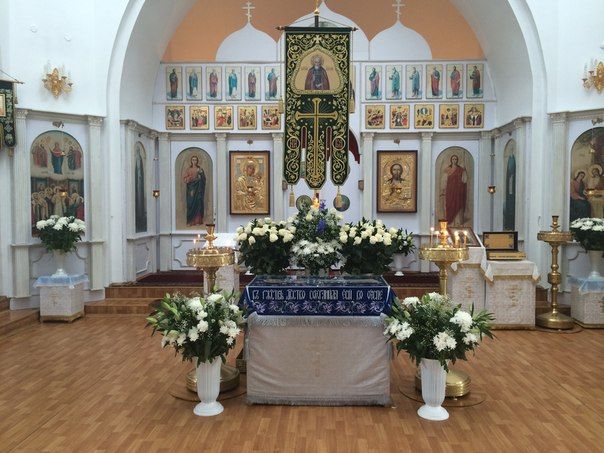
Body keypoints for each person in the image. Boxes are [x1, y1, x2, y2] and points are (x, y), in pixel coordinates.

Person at [441, 155, 468, 225]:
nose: (454, 160)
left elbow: (464, 180)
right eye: (453, 159)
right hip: (450, 190)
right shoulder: (448, 169)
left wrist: (465, 171)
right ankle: (450, 221)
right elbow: (444, 180)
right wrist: (443, 189)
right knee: (450, 204)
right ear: (451, 160)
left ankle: (458, 222)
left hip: (458, 191)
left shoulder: (460, 169)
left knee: (458, 204)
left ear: (457, 160)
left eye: (455, 159)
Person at [182, 156, 206, 226]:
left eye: (195, 160)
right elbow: (185, 179)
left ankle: (198, 221)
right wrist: (189, 178)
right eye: (193, 160)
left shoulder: (200, 169)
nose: (194, 161)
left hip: (198, 188)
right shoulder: (188, 169)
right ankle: (190, 221)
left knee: (198, 204)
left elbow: (204, 179)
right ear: (191, 161)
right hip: (191, 189)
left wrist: (200, 177)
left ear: (197, 161)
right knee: (191, 204)